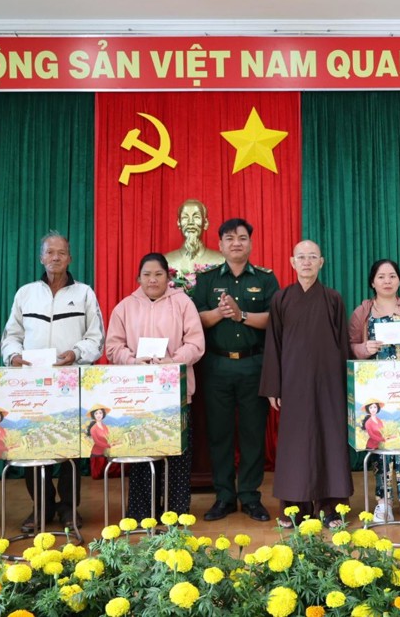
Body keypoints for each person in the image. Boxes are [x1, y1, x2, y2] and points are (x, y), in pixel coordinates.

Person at [1, 231, 104, 532]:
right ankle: (42, 506)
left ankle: (69, 508)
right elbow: (11, 335)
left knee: (70, 447)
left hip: (70, 383)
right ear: (41, 257)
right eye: (50, 252)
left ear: (70, 258)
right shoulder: (26, 293)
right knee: (32, 445)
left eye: (61, 252)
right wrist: (13, 356)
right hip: (31, 386)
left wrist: (76, 353)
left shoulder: (84, 293)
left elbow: (96, 338)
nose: (55, 257)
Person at [190, 218, 278, 523]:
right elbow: (195, 319)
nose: (236, 243)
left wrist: (241, 316)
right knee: (220, 434)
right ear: (220, 245)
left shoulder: (266, 278)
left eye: (242, 238)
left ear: (250, 243)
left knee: (253, 434)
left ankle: (251, 497)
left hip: (254, 364)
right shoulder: (207, 279)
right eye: (229, 238)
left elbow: (275, 319)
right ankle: (224, 496)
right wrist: (219, 312)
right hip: (217, 366)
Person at [105, 252, 205, 519]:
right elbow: (113, 347)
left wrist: (173, 361)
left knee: (177, 455)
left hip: (175, 394)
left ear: (168, 277)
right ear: (138, 278)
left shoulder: (183, 303)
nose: (152, 280)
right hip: (138, 396)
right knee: (141, 454)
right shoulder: (125, 307)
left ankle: (176, 514)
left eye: (158, 274)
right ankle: (142, 513)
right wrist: (132, 361)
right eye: (147, 275)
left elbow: (196, 344)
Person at [260, 240, 352, 529]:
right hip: (293, 382)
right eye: (301, 257)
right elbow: (273, 344)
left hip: (329, 383)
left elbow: (343, 344)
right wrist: (274, 387)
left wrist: (346, 386)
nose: (307, 262)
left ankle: (332, 508)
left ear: (321, 262)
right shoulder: (282, 299)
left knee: (330, 440)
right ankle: (294, 509)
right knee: (295, 443)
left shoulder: (333, 299)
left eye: (313, 257)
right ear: (292, 262)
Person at [348, 259, 400, 523]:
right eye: (381, 276)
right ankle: (383, 502)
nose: (387, 281)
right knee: (380, 442)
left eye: (392, 276)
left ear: (399, 280)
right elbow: (351, 345)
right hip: (375, 388)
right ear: (372, 282)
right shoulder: (363, 312)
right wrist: (364, 349)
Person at [164, 199, 225, 279]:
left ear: (205, 223)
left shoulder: (221, 261)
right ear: (179, 223)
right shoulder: (165, 261)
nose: (190, 222)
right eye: (185, 217)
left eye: (196, 217)